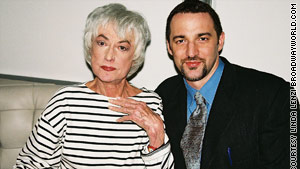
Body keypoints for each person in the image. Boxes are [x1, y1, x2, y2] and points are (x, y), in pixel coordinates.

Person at [14, 3, 174, 169]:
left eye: (122, 47)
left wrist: (156, 136)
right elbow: (30, 165)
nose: (109, 56)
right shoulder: (66, 102)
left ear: (135, 56)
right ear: (91, 47)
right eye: (102, 43)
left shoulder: (150, 103)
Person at [154, 0, 297, 169]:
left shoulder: (273, 96)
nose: (191, 52)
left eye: (202, 38)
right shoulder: (162, 96)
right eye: (181, 41)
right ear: (169, 47)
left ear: (220, 41)